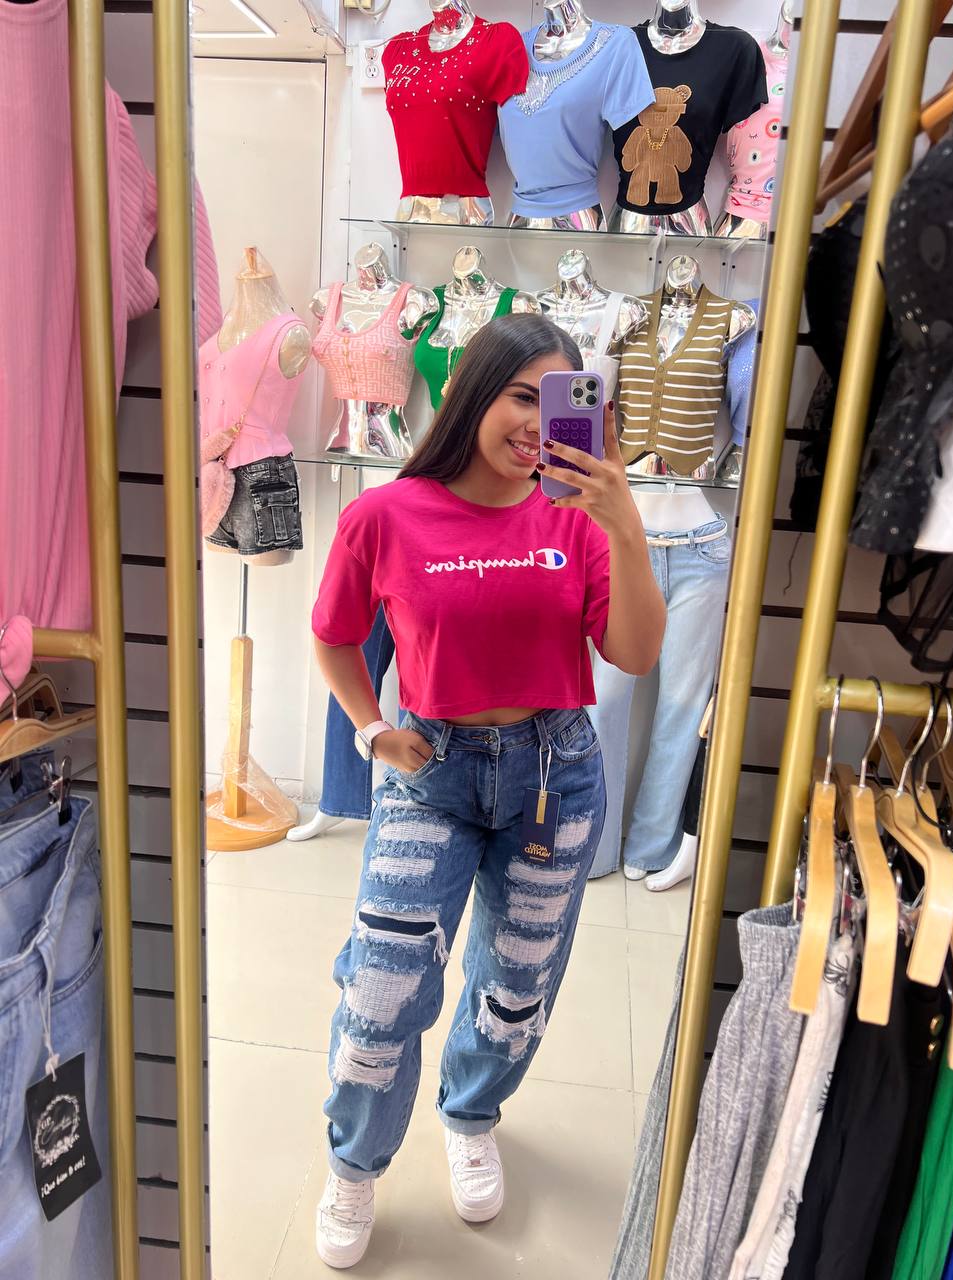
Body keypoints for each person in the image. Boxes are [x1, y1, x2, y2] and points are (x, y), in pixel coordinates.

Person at [310, 313, 666, 1268]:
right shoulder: (385, 514)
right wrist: (371, 728)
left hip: (556, 773)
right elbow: (335, 636)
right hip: (431, 770)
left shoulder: (578, 520)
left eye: (558, 402)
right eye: (520, 396)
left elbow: (635, 652)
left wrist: (625, 523)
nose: (537, 424)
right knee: (383, 988)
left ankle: (471, 1117)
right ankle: (353, 1164)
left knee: (516, 986)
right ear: (474, 391)